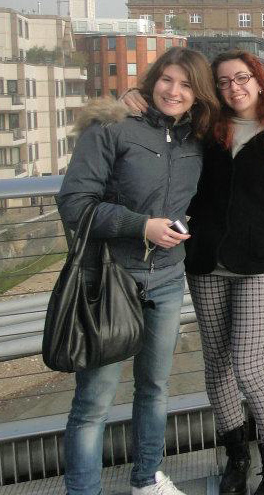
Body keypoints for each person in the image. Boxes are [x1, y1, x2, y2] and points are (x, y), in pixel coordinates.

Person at [57, 47, 219, 495]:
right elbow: (74, 203)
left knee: (154, 388)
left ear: (198, 94)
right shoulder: (113, 128)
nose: (174, 90)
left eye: (186, 84)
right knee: (93, 401)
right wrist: (140, 226)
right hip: (111, 281)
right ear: (151, 82)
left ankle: (146, 478)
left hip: (167, 281)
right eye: (167, 79)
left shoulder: (197, 139)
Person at [184, 51, 264, 495]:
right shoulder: (204, 131)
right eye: (223, 82)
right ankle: (236, 457)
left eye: (242, 78)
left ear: (260, 81)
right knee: (216, 366)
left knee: (249, 366)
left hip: (260, 264)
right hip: (205, 263)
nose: (234, 87)